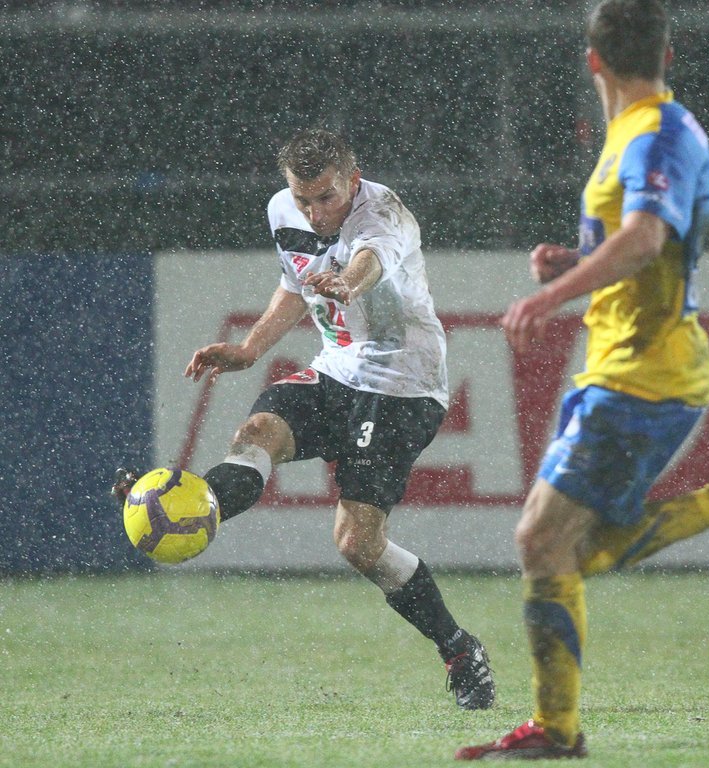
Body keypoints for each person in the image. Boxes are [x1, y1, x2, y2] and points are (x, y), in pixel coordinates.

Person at [455, 0, 709, 759]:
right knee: (561, 549)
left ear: (592, 60)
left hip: (647, 372)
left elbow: (646, 238)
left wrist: (547, 298)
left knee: (541, 541)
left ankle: (557, 731)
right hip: (617, 364)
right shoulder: (636, 133)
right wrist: (574, 263)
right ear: (668, 52)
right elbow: (637, 247)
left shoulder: (660, 131)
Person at [114, 128, 495, 711]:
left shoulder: (384, 214)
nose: (315, 213)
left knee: (357, 544)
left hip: (401, 385)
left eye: (327, 197)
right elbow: (294, 285)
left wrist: (346, 283)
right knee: (257, 435)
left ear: (353, 181)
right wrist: (250, 349)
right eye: (304, 198)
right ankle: (182, 508)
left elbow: (368, 262)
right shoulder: (282, 210)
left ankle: (460, 648)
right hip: (335, 370)